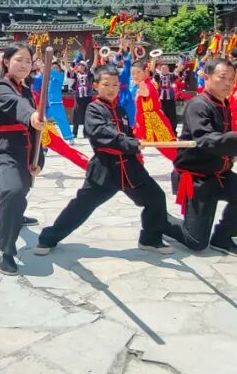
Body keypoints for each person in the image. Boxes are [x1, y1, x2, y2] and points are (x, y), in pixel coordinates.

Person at [34, 65, 172, 256]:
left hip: (129, 167)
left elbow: (127, 133)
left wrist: (135, 142)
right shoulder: (93, 109)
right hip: (105, 169)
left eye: (115, 85)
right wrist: (129, 143)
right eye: (106, 84)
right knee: (81, 207)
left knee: (156, 197)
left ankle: (150, 239)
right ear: (96, 86)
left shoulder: (121, 110)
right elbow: (100, 132)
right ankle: (48, 238)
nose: (111, 89)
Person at [165, 58, 237, 255]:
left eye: (232, 78)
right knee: (196, 242)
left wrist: (234, 149)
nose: (228, 83)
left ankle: (222, 238)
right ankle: (160, 219)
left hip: (221, 173)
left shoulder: (223, 103)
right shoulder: (198, 104)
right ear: (207, 77)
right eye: (222, 77)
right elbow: (206, 140)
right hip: (198, 178)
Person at [0, 42, 46, 275]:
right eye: (18, 60)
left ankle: (16, 217)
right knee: (12, 191)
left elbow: (36, 130)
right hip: (2, 152)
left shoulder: (28, 91)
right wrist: (32, 115)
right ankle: (6, 249)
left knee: (21, 191)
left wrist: (39, 160)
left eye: (28, 61)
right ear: (6, 62)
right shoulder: (1, 87)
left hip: (24, 152)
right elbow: (17, 106)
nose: (24, 65)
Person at [130, 59, 177, 162]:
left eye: (138, 72)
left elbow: (146, 92)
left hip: (153, 122)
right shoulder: (146, 83)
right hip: (143, 121)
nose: (135, 75)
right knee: (131, 148)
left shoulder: (145, 85)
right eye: (132, 73)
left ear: (146, 72)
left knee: (171, 151)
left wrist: (140, 87)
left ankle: (187, 167)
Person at [45, 61, 73, 140]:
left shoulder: (60, 75)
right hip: (47, 103)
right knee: (41, 120)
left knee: (62, 120)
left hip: (56, 102)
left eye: (56, 67)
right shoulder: (48, 77)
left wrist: (46, 65)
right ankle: (43, 139)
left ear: (59, 69)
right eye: (53, 67)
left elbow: (49, 70)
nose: (54, 69)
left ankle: (69, 137)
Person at [70, 61, 93, 139]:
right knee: (76, 114)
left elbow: (94, 66)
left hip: (88, 97)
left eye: (82, 66)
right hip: (78, 97)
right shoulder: (75, 75)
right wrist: (65, 59)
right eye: (79, 65)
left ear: (85, 67)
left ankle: (85, 133)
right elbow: (68, 69)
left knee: (87, 114)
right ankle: (74, 132)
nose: (81, 67)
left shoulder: (89, 74)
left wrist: (96, 55)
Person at [158, 63, 178, 133]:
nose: (164, 70)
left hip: (170, 99)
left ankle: (173, 130)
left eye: (166, 68)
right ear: (160, 69)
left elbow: (177, 71)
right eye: (163, 68)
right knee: (163, 115)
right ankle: (164, 130)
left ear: (168, 69)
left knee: (172, 115)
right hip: (161, 100)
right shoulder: (158, 76)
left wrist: (180, 63)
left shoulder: (172, 76)